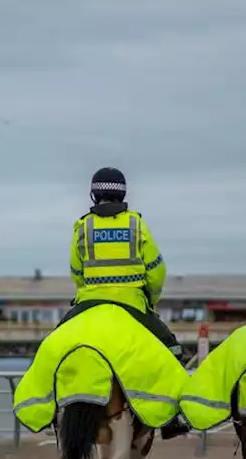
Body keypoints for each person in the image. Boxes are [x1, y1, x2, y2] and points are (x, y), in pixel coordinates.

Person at [65, 167, 189, 439]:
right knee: (173, 352)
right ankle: (174, 417)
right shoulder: (136, 225)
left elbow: (76, 271)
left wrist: (87, 292)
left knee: (53, 350)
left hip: (89, 306)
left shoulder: (83, 227)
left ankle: (53, 408)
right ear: (123, 193)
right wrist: (149, 300)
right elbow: (157, 271)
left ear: (94, 193)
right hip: (133, 308)